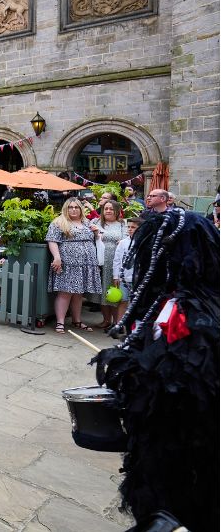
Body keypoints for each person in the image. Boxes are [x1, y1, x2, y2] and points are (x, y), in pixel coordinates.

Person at [96, 208, 218, 532]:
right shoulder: (171, 301)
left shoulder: (194, 313)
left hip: (186, 451)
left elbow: (184, 385)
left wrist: (131, 371)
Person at [46, 197, 101, 334]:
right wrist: (57, 257)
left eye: (76, 207)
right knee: (65, 292)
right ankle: (60, 322)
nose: (74, 209)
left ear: (80, 209)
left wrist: (96, 233)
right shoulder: (58, 222)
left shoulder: (87, 222)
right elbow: (52, 241)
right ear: (66, 208)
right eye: (70, 207)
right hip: (68, 263)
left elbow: (96, 239)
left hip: (86, 264)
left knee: (78, 293)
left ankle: (77, 320)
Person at [90, 200, 126, 329]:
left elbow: (128, 239)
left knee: (114, 290)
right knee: (103, 291)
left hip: (116, 261)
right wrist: (94, 233)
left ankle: (117, 321)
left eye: (111, 209)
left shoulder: (123, 224)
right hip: (100, 260)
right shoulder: (95, 223)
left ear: (117, 211)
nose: (108, 211)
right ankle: (106, 320)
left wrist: (122, 241)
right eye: (106, 209)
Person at [111, 216, 139, 326]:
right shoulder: (123, 243)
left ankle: (132, 326)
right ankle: (119, 324)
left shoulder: (143, 242)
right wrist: (115, 276)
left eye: (133, 227)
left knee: (135, 302)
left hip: (137, 278)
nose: (130, 229)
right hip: (124, 278)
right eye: (129, 227)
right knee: (123, 301)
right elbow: (117, 260)